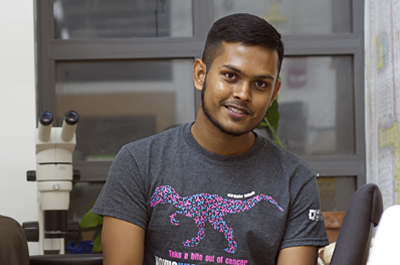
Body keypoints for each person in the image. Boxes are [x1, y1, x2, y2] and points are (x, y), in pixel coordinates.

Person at [93, 13, 329, 265]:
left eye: (260, 84)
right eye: (230, 76)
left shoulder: (295, 180)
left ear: (273, 94)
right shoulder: (139, 162)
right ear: (200, 75)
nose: (242, 94)